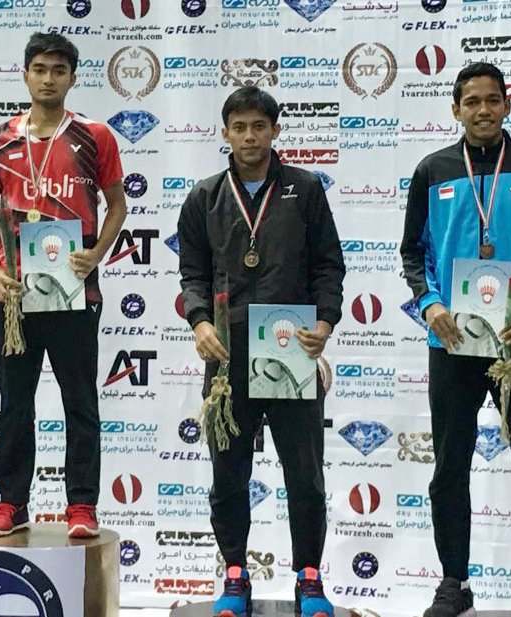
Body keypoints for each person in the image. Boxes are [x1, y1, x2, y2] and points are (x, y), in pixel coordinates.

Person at [399, 62, 511, 617]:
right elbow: (412, 254)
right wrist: (430, 305)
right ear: (455, 109)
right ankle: (454, 583)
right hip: (453, 343)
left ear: (506, 105)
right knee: (450, 468)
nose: (483, 109)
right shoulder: (432, 171)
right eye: (471, 101)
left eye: (492, 100)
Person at [177, 86, 345, 617]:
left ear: (275, 130)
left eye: (258, 126)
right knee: (228, 473)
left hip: (293, 350)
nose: (249, 136)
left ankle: (309, 577)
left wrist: (325, 322)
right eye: (239, 127)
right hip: (228, 356)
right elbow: (192, 275)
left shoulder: (305, 189)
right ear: (225, 133)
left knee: (305, 475)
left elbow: (328, 266)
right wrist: (199, 321)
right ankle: (234, 572)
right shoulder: (204, 197)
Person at [0, 32, 127, 539]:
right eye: (39, 69)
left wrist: (96, 254)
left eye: (59, 70)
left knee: (80, 401)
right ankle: (11, 502)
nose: (48, 79)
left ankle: (81, 505)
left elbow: (117, 205)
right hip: (13, 296)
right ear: (25, 74)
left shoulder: (94, 136)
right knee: (15, 403)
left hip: (75, 292)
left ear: (72, 78)